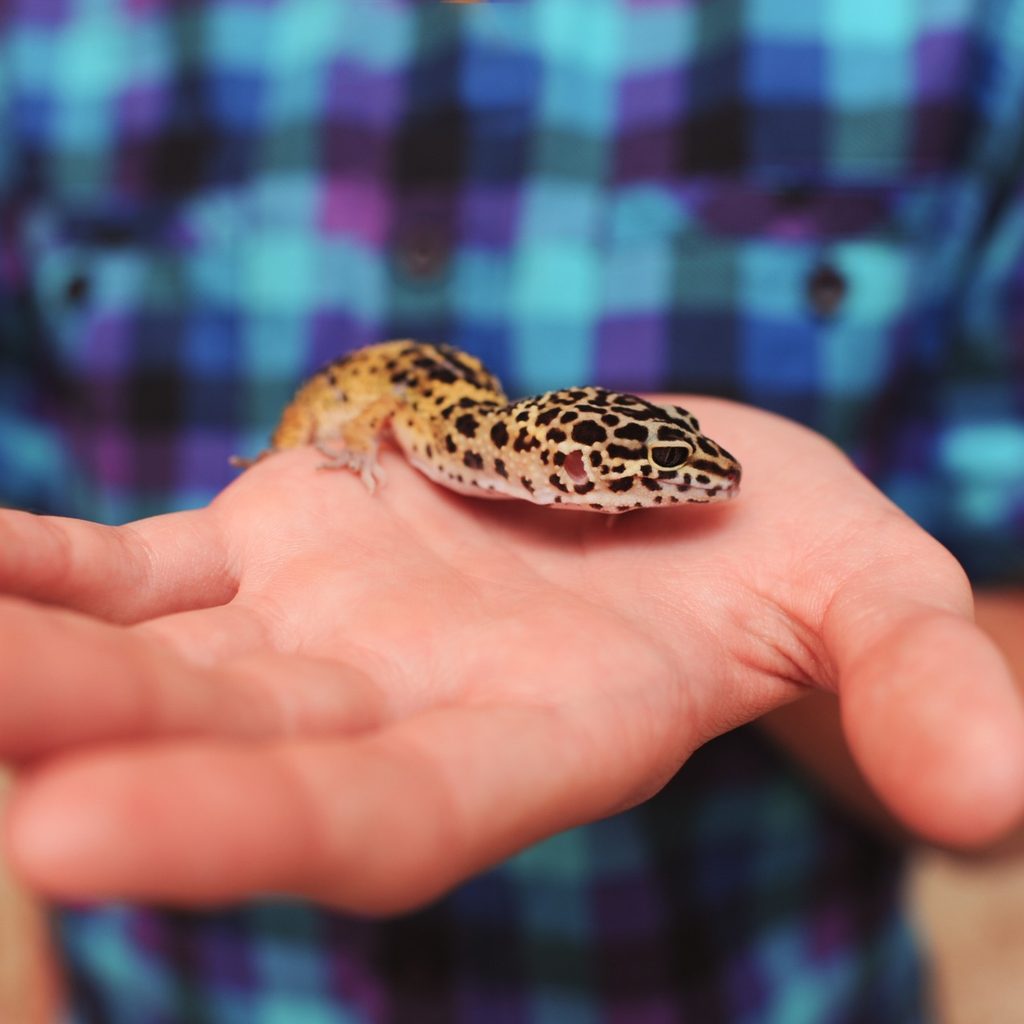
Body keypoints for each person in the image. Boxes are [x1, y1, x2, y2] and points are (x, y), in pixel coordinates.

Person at [1, 0, 1023, 1020]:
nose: (686, 487)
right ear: (574, 465)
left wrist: (802, 614)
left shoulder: (963, 38)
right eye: (653, 477)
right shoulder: (44, 36)